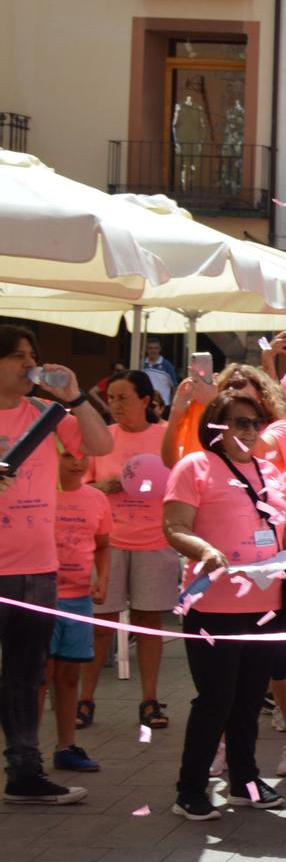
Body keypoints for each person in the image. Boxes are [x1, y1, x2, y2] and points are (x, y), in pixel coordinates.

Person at [161, 390, 286, 820]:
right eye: (239, 422)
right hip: (214, 606)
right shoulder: (195, 466)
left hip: (266, 604)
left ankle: (245, 781)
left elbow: (281, 535)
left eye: (256, 423)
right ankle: (190, 789)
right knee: (216, 699)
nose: (250, 431)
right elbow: (173, 526)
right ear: (217, 427)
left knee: (247, 699)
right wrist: (203, 548)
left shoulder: (272, 473)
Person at [0, 325, 112, 805]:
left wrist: (75, 397)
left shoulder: (45, 414)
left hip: (38, 570)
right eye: (17, 356)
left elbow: (101, 446)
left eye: (32, 355)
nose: (29, 364)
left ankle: (25, 773)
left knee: (27, 674)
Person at [80, 371, 175, 732]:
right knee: (100, 627)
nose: (115, 405)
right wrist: (100, 487)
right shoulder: (101, 437)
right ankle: (85, 699)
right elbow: (80, 483)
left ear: (146, 399)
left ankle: (150, 700)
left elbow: (180, 483)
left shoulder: (166, 436)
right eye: (112, 398)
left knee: (149, 624)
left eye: (123, 397)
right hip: (108, 544)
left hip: (155, 541)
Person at [46, 441, 111, 774]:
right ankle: (25, 753)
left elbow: (102, 546)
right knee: (40, 676)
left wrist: (102, 579)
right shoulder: (39, 494)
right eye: (68, 455)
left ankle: (66, 746)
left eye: (82, 455)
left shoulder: (96, 499)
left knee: (70, 675)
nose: (76, 463)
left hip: (79, 600)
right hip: (40, 600)